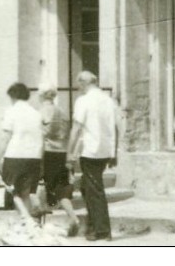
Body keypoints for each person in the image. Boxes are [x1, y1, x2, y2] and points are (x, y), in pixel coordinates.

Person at [66, 71, 120, 241]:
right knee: (86, 187)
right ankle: (93, 224)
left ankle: (102, 230)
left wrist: (69, 153)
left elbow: (76, 128)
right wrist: (114, 151)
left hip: (91, 151)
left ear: (84, 83)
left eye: (78, 84)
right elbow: (116, 128)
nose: (78, 88)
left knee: (95, 190)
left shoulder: (84, 101)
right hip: (105, 150)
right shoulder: (109, 100)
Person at [0, 82, 43, 222]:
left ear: (13, 96)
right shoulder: (36, 113)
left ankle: (26, 220)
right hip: (34, 157)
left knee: (13, 191)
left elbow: (6, 137)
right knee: (26, 193)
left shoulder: (11, 112)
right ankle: (26, 224)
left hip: (15, 156)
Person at [39, 85, 81, 237]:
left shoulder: (42, 112)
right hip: (63, 152)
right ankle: (73, 218)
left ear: (42, 96)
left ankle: (41, 223)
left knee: (43, 186)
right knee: (62, 189)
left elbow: (41, 134)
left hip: (49, 153)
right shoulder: (62, 112)